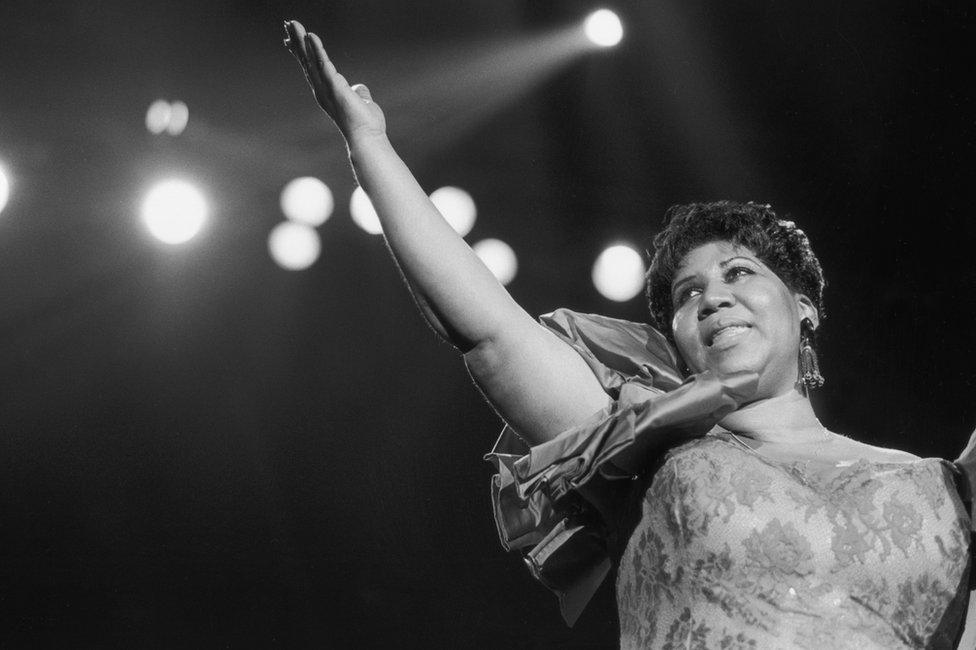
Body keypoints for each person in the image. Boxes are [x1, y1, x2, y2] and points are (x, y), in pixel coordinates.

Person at [282, 20, 976, 648]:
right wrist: (368, 146)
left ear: (804, 308)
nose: (713, 298)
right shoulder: (646, 451)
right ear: (674, 335)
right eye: (688, 293)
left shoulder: (942, 486)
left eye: (739, 272)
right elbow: (488, 332)